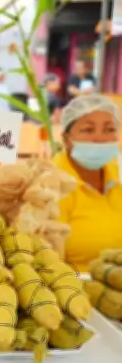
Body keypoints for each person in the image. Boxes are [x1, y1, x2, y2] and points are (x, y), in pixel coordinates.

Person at [54, 94, 121, 271]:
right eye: (88, 130)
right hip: (73, 290)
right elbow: (44, 260)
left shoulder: (118, 173)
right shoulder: (50, 186)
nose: (100, 138)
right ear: (66, 139)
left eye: (109, 129)